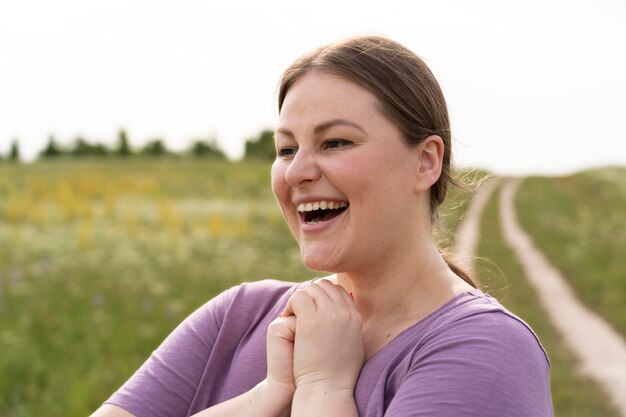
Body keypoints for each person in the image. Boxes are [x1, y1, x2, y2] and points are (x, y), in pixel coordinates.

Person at [91, 35, 553, 417]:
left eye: (334, 142)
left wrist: (323, 389)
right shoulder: (238, 316)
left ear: (426, 161)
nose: (297, 173)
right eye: (287, 149)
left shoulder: (486, 351)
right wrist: (269, 393)